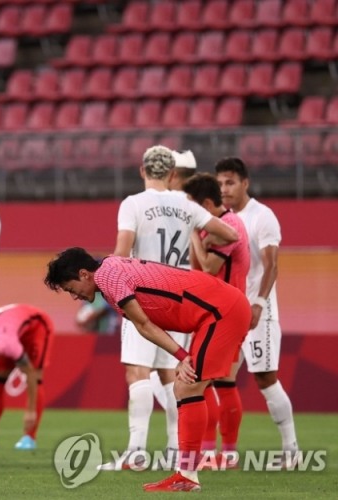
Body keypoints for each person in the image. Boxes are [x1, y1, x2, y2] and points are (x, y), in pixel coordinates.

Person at [45, 247, 251, 492]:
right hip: (219, 308)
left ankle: (188, 474)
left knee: (187, 387)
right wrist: (182, 356)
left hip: (220, 312)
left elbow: (143, 324)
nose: (74, 297)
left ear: (84, 274)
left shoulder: (107, 276)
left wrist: (182, 356)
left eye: (71, 289)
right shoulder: (109, 268)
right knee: (187, 387)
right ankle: (188, 471)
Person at [105, 145, 239, 470]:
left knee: (137, 371)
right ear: (173, 174)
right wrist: (200, 239)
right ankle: (173, 451)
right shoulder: (185, 204)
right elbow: (230, 234)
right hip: (178, 300)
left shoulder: (133, 203)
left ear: (142, 171)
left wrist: (109, 278)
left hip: (143, 294)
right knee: (169, 376)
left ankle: (136, 452)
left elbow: (121, 252)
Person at [215, 157, 300, 467]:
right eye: (220, 183)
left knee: (265, 378)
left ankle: (291, 450)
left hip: (257, 311)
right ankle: (226, 453)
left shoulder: (262, 216)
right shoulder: (220, 219)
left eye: (230, 183)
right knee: (220, 379)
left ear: (245, 183)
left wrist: (259, 304)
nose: (224, 189)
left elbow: (272, 264)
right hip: (228, 311)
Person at [183, 172, 250, 469]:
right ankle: (214, 453)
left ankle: (220, 453)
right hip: (212, 313)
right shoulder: (215, 227)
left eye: (192, 208)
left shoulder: (230, 226)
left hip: (227, 312)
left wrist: (192, 237)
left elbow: (207, 268)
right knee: (213, 382)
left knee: (212, 382)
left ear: (207, 204)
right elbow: (197, 269)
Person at [0, 304, 53, 451]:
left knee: (35, 376)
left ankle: (29, 437)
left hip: (36, 326)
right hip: (8, 326)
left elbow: (30, 375)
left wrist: (30, 412)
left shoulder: (7, 345)